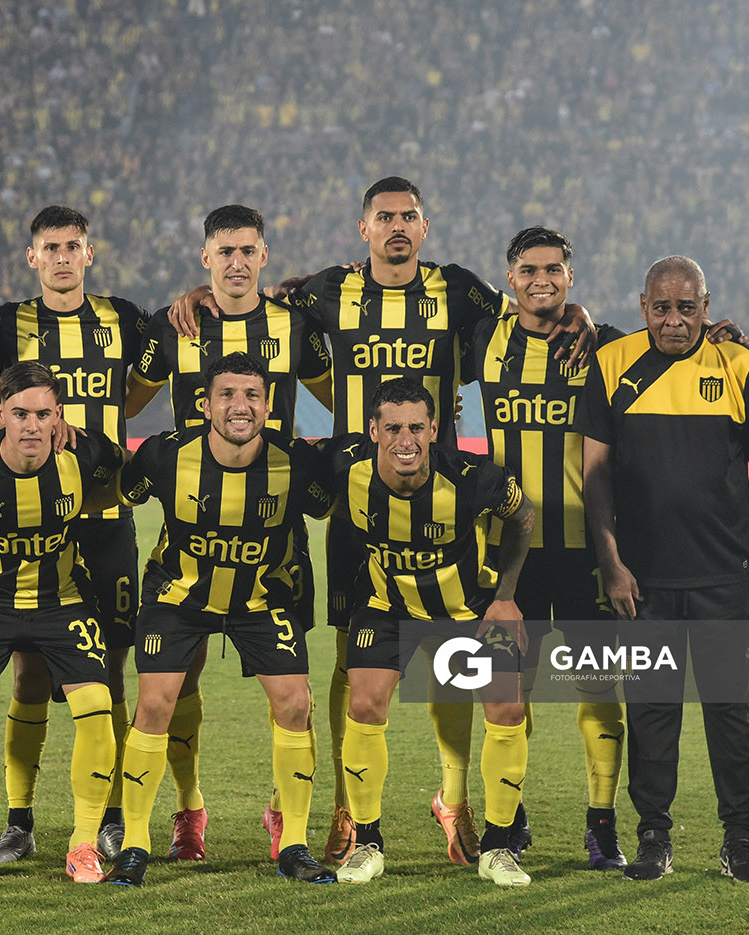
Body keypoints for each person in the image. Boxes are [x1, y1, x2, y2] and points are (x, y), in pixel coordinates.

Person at [169, 177, 592, 866]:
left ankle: (452, 799)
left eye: (410, 216)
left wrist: (579, 317)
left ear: (425, 226)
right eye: (384, 217)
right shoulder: (327, 291)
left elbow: (531, 315)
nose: (398, 226)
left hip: (446, 500)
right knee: (354, 659)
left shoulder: (456, 289)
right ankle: (346, 808)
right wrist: (196, 295)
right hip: (355, 500)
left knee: (454, 656)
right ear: (362, 228)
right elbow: (251, 299)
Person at [125, 205, 332, 861]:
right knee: (171, 689)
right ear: (206, 258)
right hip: (187, 541)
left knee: (293, 696)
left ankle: (285, 816)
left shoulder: (296, 327)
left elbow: (342, 396)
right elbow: (123, 401)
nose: (237, 262)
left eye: (248, 250)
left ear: (264, 258)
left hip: (271, 541)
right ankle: (189, 811)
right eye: (225, 251)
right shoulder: (172, 325)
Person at [581, 256, 749, 884]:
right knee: (651, 710)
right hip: (644, 582)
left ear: (704, 306)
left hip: (726, 574)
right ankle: (653, 839)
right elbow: (595, 476)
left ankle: (740, 841)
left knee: (729, 710)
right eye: (661, 307)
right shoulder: (612, 365)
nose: (674, 319)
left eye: (686, 307)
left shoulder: (739, 364)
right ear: (643, 308)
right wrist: (612, 565)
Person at [105, 352, 336, 886]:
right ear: (204, 404)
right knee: (155, 703)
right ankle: (136, 846)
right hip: (179, 596)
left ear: (269, 404)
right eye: (228, 394)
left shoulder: (295, 461)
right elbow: (122, 492)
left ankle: (293, 844)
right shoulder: (166, 455)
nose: (241, 405)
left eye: (253, 395)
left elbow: (327, 508)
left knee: (296, 703)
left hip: (262, 598)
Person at [0, 206, 148, 863]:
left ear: (90, 252)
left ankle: (109, 815)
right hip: (29, 527)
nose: (63, 257)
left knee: (109, 676)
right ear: (32, 257)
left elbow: (149, 379)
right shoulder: (1, 327)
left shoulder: (124, 319)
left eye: (73, 245)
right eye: (51, 247)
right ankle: (19, 821)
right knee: (29, 671)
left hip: (105, 525)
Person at [324, 377, 536, 887]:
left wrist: (505, 596)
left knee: (508, 709)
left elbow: (524, 515)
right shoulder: (344, 466)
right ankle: (367, 842)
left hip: (467, 610)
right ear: (373, 430)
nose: (406, 440)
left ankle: (499, 848)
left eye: (417, 427)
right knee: (364, 704)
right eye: (393, 428)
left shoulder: (473, 478)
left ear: (434, 429)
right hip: (386, 607)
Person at [0, 361, 126, 885]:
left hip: (62, 598)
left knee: (97, 707)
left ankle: (84, 846)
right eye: (19, 414)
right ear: (1, 416)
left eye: (43, 414)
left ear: (58, 415)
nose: (32, 426)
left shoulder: (86, 453)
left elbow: (119, 481)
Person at [467, 227, 628, 868]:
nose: (543, 280)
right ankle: (508, 820)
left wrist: (721, 334)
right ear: (510, 279)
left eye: (554, 269)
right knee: (508, 689)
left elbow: (676, 349)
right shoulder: (483, 337)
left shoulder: (606, 345)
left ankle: (602, 823)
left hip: (587, 551)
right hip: (510, 553)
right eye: (529, 270)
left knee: (598, 689)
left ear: (571, 275)